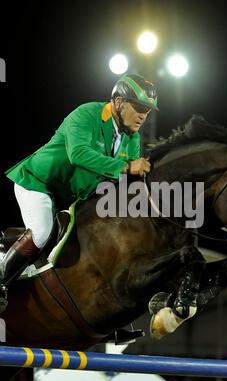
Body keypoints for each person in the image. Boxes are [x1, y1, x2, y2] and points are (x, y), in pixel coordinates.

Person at [0, 73, 158, 312]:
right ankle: (1, 282)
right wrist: (125, 167)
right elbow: (78, 154)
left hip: (72, 198)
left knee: (97, 240)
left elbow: (128, 180)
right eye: (138, 108)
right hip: (38, 182)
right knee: (42, 231)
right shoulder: (87, 114)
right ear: (117, 102)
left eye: (147, 111)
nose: (143, 116)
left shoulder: (132, 138)